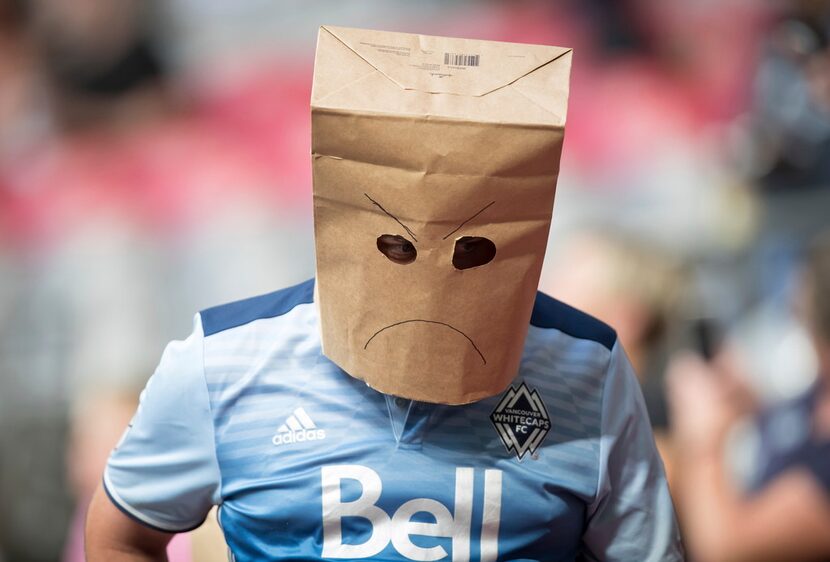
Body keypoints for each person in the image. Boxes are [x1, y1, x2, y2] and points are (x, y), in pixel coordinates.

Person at [85, 26, 683, 562]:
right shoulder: (220, 364)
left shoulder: (589, 371)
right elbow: (121, 535)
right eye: (396, 245)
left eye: (472, 249)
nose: (430, 279)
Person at [668, 230, 830, 562]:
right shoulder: (817, 393)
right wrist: (742, 398)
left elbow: (727, 548)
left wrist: (703, 440)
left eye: (798, 308)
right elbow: (792, 425)